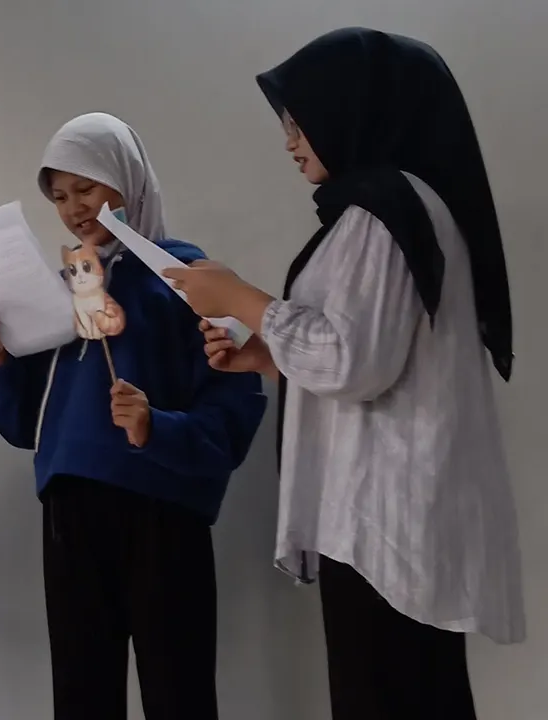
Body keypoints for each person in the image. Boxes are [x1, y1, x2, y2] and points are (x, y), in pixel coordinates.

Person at [165, 27, 525, 720]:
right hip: (388, 514)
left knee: (389, 693)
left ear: (351, 108)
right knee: (418, 692)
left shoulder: (381, 212)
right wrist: (268, 356)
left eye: (300, 122)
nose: (290, 142)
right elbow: (377, 352)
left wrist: (241, 297)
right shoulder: (394, 208)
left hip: (381, 518)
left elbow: (353, 361)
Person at [0, 113, 266, 719]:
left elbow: (234, 413)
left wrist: (157, 426)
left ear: (130, 182)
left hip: (160, 512)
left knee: (176, 689)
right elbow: (24, 427)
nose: (74, 209)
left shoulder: (186, 276)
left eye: (88, 188)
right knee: (82, 692)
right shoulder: (57, 292)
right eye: (60, 196)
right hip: (70, 511)